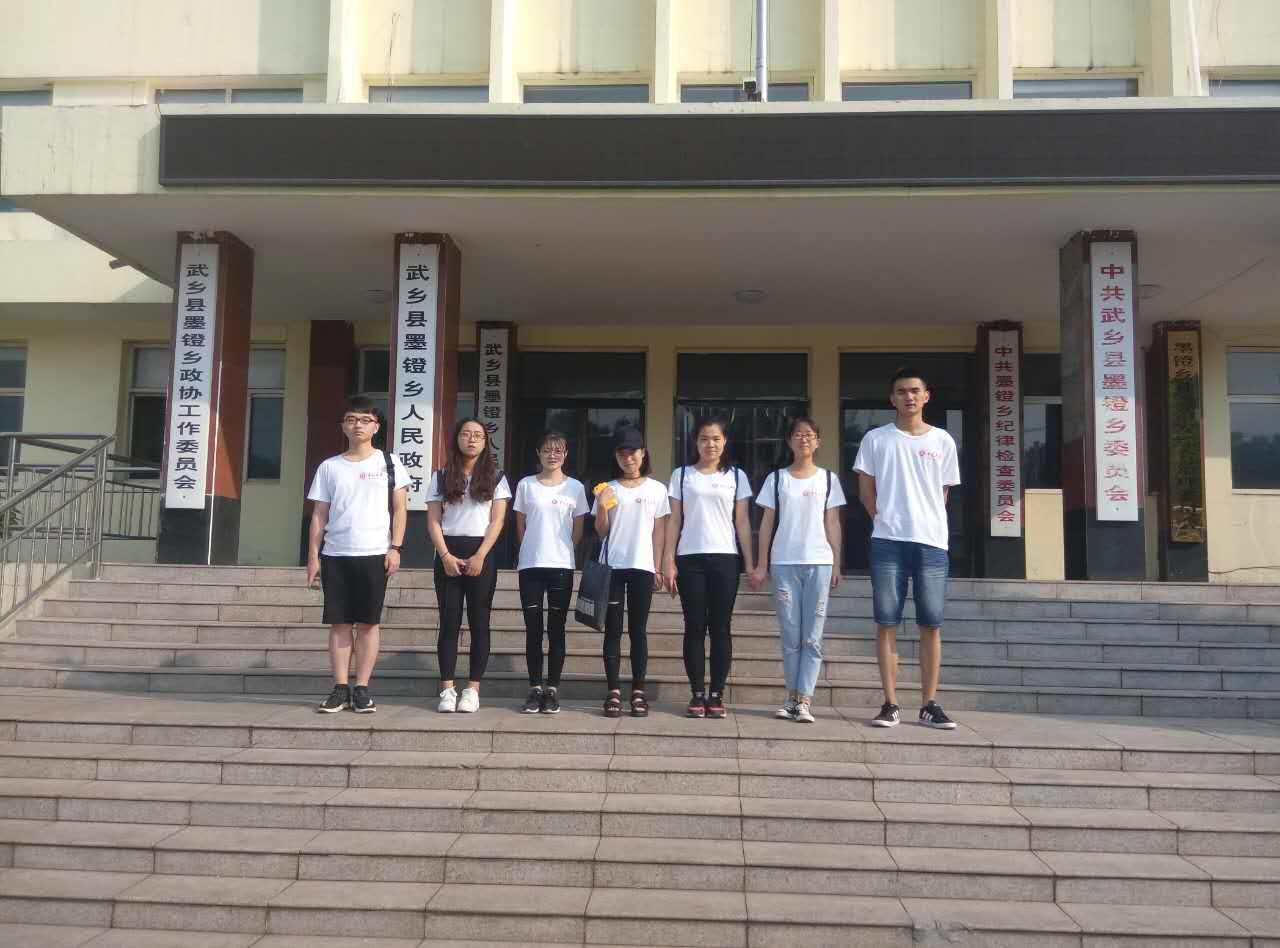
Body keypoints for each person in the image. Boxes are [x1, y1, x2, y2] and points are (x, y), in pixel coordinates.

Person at [854, 367, 961, 730]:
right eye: (901, 391)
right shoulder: (876, 439)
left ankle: (929, 703)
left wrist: (924, 521)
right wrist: (885, 519)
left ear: (926, 396)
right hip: (888, 543)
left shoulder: (943, 441)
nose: (909, 396)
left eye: (915, 390)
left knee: (931, 623)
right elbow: (865, 490)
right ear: (892, 399)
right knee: (886, 622)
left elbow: (943, 493)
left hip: (932, 543)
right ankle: (890, 703)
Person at [307, 396, 409, 714]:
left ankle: (362, 688)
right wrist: (313, 556)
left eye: (365, 420)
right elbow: (319, 515)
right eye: (351, 419)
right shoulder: (330, 467)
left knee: (368, 623)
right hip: (336, 554)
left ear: (376, 427)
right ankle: (340, 688)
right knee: (339, 623)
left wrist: (396, 548)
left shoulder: (390, 463)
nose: (358, 425)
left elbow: (400, 509)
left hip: (375, 553)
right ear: (343, 426)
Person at [750, 416, 846, 724]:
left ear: (818, 442)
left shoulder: (828, 479)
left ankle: (805, 699)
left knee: (812, 637)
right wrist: (762, 563)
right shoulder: (777, 479)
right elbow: (766, 523)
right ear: (789, 441)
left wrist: (836, 562)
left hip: (819, 562)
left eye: (810, 434)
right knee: (791, 635)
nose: (804, 439)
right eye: (798, 434)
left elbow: (833, 523)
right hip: (784, 563)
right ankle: (791, 697)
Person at [664, 417, 754, 719]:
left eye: (716, 438)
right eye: (704, 438)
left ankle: (716, 693)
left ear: (724, 441)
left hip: (725, 558)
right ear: (695, 442)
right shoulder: (681, 475)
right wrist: (668, 560)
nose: (710, 444)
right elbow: (674, 521)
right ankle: (697, 693)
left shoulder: (737, 476)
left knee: (721, 627)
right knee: (694, 626)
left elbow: (742, 522)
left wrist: (750, 562)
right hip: (690, 558)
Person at [426, 418, 511, 713]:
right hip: (448, 553)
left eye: (478, 435)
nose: (471, 439)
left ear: (486, 442)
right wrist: (445, 556)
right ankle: (447, 689)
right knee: (449, 622)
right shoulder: (440, 476)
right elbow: (433, 521)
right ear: (457, 439)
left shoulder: (497, 477)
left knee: (479, 622)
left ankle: (473, 689)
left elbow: (497, 521)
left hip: (481, 554)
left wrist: (480, 555)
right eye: (466, 434)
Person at [593, 427, 669, 718]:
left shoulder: (657, 489)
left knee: (638, 630)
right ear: (616, 457)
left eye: (633, 452)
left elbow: (659, 532)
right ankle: (613, 691)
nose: (628, 458)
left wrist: (658, 567)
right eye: (622, 453)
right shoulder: (607, 488)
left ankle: (638, 691)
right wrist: (602, 508)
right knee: (612, 631)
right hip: (613, 567)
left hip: (642, 566)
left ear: (643, 454)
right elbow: (601, 532)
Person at [513, 431, 589, 714]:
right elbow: (520, 524)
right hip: (531, 565)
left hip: (561, 566)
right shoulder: (526, 485)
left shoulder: (575, 488)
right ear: (538, 453)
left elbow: (578, 528)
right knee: (533, 628)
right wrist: (530, 549)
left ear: (565, 454)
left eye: (558, 450)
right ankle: (535, 687)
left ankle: (552, 689)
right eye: (547, 450)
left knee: (557, 628)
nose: (552, 455)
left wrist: (564, 549)